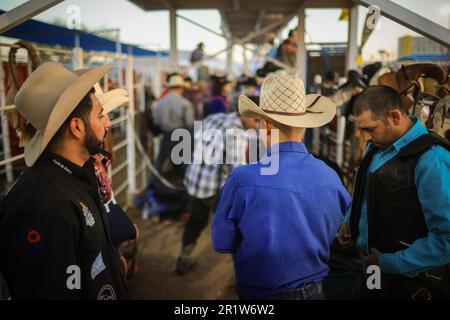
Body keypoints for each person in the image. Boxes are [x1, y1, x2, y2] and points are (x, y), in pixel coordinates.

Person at [212, 72, 352, 300]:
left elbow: (222, 242)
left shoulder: (242, 179)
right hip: (315, 291)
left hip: (261, 294)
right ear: (304, 126)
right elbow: (345, 229)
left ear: (265, 125)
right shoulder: (330, 177)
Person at [0, 62, 129, 299]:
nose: (108, 123)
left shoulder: (78, 172)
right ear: (77, 128)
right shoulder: (40, 205)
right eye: (100, 115)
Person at [337, 85, 450, 300]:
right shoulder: (378, 147)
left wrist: (389, 262)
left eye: (370, 129)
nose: (367, 137)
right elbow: (368, 192)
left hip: (411, 284)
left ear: (395, 117)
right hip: (372, 272)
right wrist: (349, 221)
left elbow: (446, 238)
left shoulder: (432, 160)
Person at [176, 104, 260, 275]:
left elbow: (194, 138)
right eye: (256, 120)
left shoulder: (216, 117)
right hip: (213, 189)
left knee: (195, 222)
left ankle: (183, 259)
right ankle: (244, 276)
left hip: (194, 181)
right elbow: (238, 172)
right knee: (236, 229)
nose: (257, 125)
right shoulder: (236, 134)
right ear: (245, 116)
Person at [152, 74, 194, 179]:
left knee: (159, 164)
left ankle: (150, 186)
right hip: (181, 137)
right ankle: (188, 187)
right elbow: (189, 124)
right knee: (184, 165)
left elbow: (156, 122)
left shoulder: (159, 103)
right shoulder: (186, 104)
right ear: (181, 88)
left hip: (166, 135)